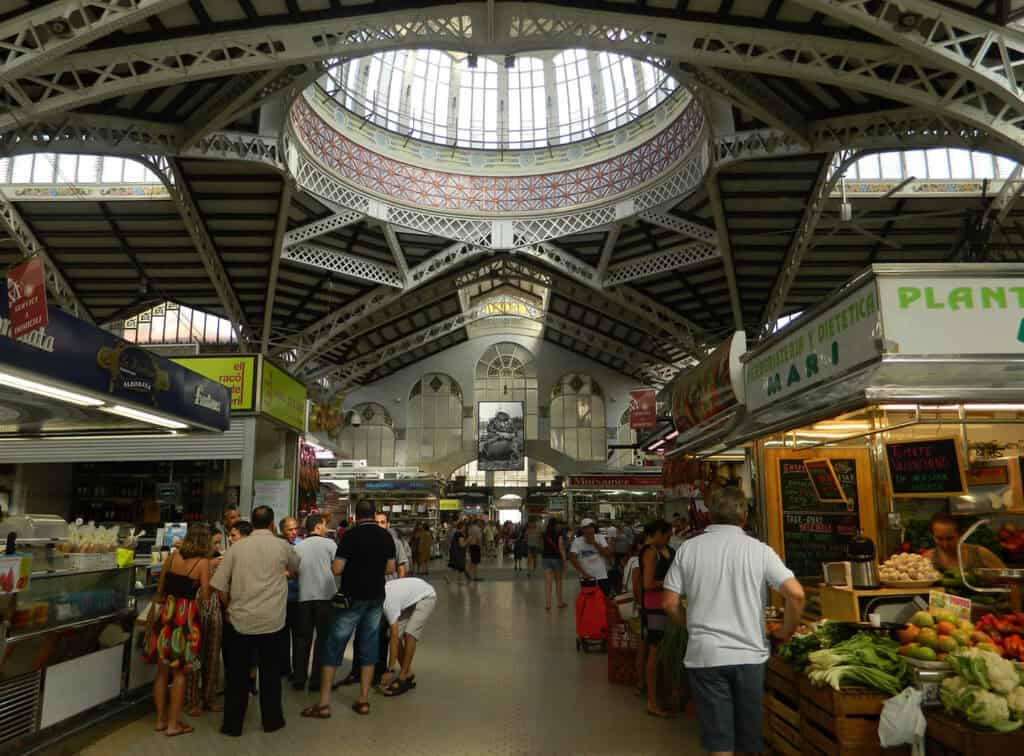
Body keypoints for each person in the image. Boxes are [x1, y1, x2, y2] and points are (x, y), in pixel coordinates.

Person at [662, 487, 806, 756]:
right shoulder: (759, 551)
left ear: (710, 516)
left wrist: (691, 626)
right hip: (749, 655)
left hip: (706, 656)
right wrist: (786, 631)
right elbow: (796, 594)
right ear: (744, 516)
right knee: (749, 741)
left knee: (720, 742)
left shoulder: (689, 549)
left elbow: (669, 603)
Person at [301, 499, 395, 719]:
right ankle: (363, 700)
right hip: (375, 597)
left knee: (335, 645)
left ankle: (323, 704)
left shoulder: (350, 536)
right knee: (369, 644)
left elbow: (337, 568)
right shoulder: (385, 536)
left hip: (352, 598)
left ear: (355, 516)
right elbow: (390, 567)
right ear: (373, 514)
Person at [211, 505, 299, 737]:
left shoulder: (236, 549)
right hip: (273, 622)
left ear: (252, 521)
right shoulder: (283, 546)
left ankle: (232, 725)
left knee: (237, 676)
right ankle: (272, 721)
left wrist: (229, 607)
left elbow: (219, 585)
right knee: (270, 675)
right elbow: (296, 566)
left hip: (241, 621)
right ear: (272, 524)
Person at [145, 522, 212, 738]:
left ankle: (160, 721)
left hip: (166, 615)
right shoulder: (202, 563)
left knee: (162, 671)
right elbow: (205, 596)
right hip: (185, 619)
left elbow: (161, 585)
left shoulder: (173, 556)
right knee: (180, 673)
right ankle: (174, 724)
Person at [292, 515, 337, 692]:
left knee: (302, 639)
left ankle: (299, 679)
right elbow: (338, 567)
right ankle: (316, 681)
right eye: (324, 526)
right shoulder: (330, 544)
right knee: (323, 640)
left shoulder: (298, 547)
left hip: (304, 598)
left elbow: (293, 571)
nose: (326, 529)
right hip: (326, 598)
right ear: (318, 527)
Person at [186, 524, 224, 717]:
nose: (217, 546)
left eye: (219, 542)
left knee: (212, 655)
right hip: (197, 611)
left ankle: (209, 697)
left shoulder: (219, 558)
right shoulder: (194, 560)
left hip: (214, 610)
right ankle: (192, 700)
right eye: (215, 542)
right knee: (195, 657)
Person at [639, 520, 675, 718]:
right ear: (658, 534)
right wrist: (670, 583)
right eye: (667, 535)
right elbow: (647, 583)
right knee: (655, 650)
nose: (669, 539)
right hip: (654, 607)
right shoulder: (650, 552)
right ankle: (652, 701)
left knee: (661, 650)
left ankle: (662, 695)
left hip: (664, 604)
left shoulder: (665, 549)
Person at [378, 576, 437, 697]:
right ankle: (408, 672)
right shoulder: (379, 596)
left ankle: (403, 676)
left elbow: (395, 637)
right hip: (410, 599)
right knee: (391, 634)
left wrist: (390, 670)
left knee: (409, 634)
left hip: (427, 596)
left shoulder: (387, 603)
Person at [925, 512, 1005, 571]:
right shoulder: (928, 558)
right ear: (933, 536)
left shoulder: (979, 553)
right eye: (939, 538)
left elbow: (1010, 580)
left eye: (950, 539)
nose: (945, 544)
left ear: (961, 535)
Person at [280, 516, 302, 682]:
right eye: (290, 529)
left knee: (299, 637)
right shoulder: (277, 546)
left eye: (295, 529)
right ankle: (284, 668)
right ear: (282, 531)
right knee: (281, 636)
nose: (294, 532)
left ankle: (298, 670)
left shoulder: (302, 545)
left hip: (299, 598)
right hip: (280, 599)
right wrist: (287, 574)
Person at [568, 518, 614, 595]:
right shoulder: (578, 541)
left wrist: (595, 543)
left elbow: (608, 554)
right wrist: (584, 574)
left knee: (605, 599)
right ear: (582, 530)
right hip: (587, 578)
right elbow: (572, 559)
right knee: (590, 602)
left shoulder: (600, 537)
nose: (589, 530)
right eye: (586, 528)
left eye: (591, 527)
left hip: (602, 576)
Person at [541, 518, 569, 610]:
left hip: (545, 559)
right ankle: (559, 602)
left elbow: (542, 546)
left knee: (548, 583)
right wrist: (565, 561)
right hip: (556, 559)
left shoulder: (545, 534)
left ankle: (548, 604)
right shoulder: (559, 534)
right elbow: (561, 547)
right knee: (558, 581)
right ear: (556, 525)